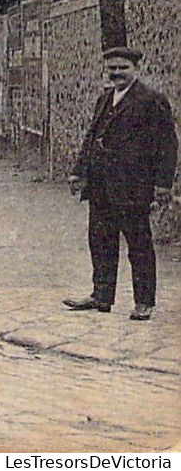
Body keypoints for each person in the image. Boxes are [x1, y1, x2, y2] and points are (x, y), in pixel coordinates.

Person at [64, 47, 177, 321]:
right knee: (100, 240)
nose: (116, 73)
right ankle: (101, 295)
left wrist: (163, 184)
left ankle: (144, 302)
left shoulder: (151, 100)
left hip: (133, 186)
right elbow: (91, 137)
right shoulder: (104, 98)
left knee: (138, 244)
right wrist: (79, 172)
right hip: (101, 185)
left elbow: (168, 144)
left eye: (122, 68)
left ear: (135, 68)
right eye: (112, 68)